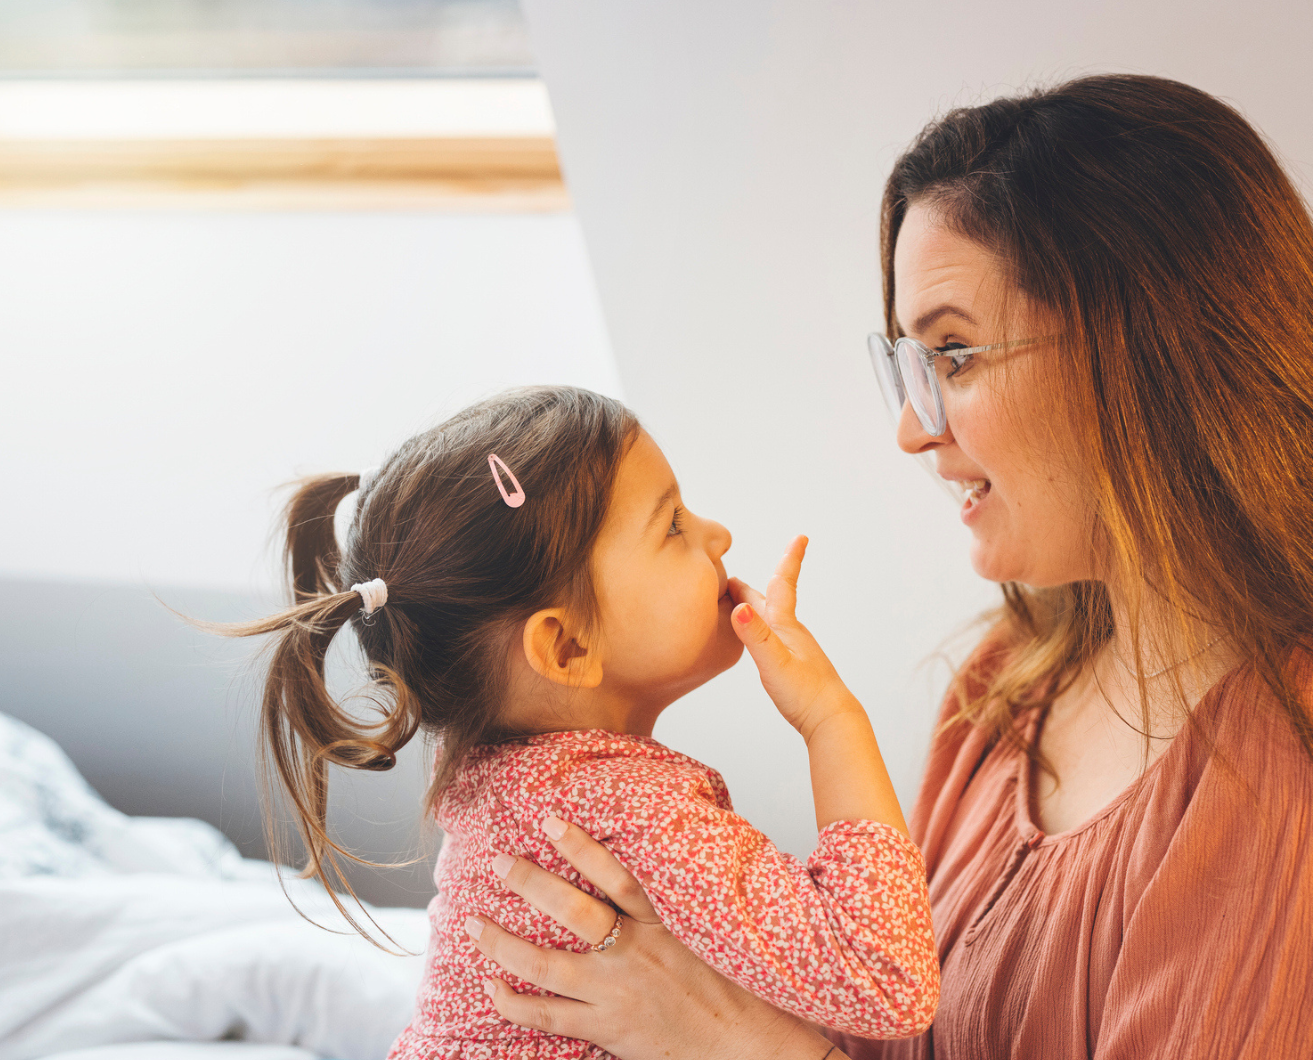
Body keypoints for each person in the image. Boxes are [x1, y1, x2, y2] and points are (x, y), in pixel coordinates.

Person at [461, 74, 1313, 1059]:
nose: (911, 430)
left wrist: (734, 1046)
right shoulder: (1005, 684)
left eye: (956, 354)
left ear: (1146, 353)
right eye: (907, 361)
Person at [221, 385, 942, 1058]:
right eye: (673, 525)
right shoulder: (626, 807)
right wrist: (831, 718)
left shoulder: (494, 775)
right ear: (566, 647)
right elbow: (885, 980)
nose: (718, 535)